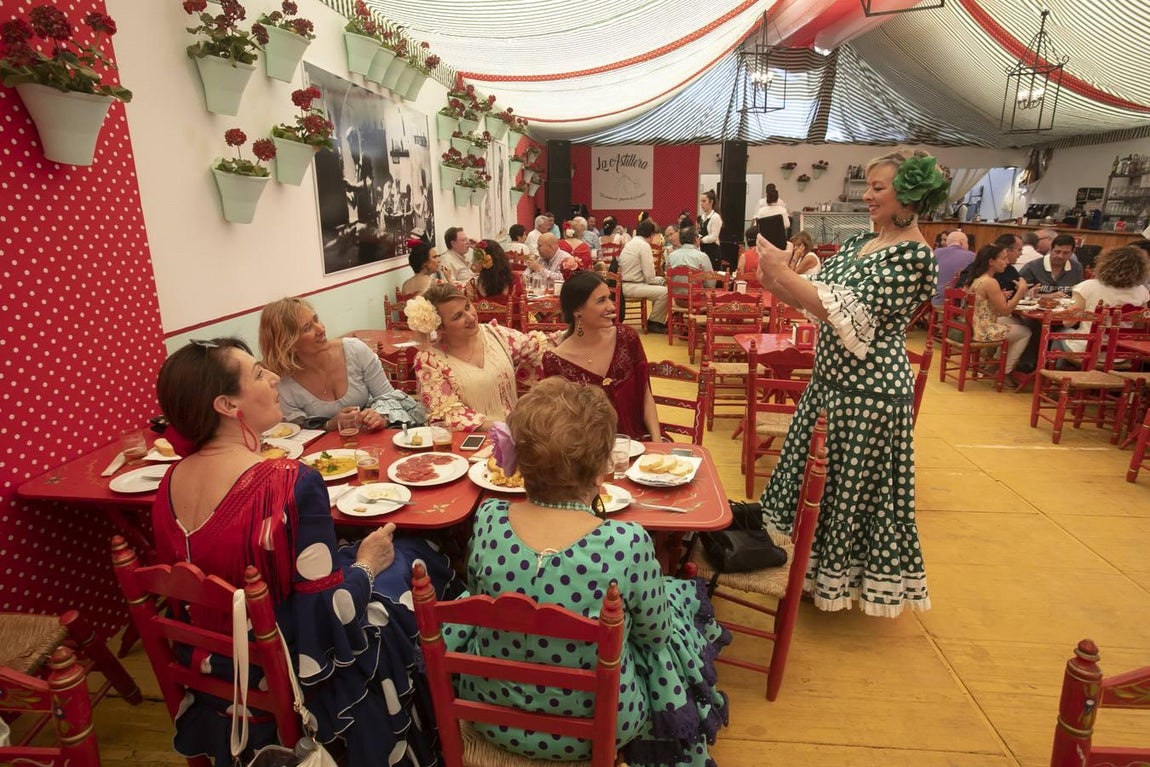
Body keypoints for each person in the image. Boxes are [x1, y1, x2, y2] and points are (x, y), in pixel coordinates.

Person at [151, 338, 457, 766]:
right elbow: (332, 613)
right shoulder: (288, 480)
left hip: (212, 660)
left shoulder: (169, 481)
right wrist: (368, 564)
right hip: (294, 665)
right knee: (415, 557)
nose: (275, 378)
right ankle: (435, 718)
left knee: (360, 555)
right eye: (259, 374)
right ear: (226, 404)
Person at [444, 377, 729, 766]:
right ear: (600, 473)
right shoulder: (626, 542)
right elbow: (655, 634)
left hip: (491, 715)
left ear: (517, 464)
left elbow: (480, 599)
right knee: (674, 618)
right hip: (599, 726)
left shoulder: (489, 519)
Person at [753, 149, 947, 616]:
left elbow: (838, 309)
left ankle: (831, 583)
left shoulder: (915, 256)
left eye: (879, 187)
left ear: (911, 195)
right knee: (817, 485)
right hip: (832, 387)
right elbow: (814, 296)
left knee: (848, 493)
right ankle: (808, 573)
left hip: (869, 397)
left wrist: (783, 274)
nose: (868, 195)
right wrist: (773, 273)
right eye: (871, 185)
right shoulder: (864, 241)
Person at [410, 283, 551, 430]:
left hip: (516, 433)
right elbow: (447, 414)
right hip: (472, 443)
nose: (470, 317)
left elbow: (536, 348)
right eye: (458, 316)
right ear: (440, 328)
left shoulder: (495, 334)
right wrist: (506, 428)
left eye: (467, 306)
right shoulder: (430, 361)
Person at [260, 297, 409, 431]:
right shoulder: (284, 383)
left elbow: (390, 397)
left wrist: (381, 415)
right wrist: (330, 425)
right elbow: (295, 431)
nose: (320, 329)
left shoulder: (355, 351)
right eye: (307, 328)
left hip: (373, 439)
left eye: (316, 319)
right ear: (288, 343)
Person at [543, 271, 661, 439]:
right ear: (577, 310)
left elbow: (645, 394)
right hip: (588, 455)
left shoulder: (626, 338)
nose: (612, 307)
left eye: (609, 298)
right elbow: (561, 422)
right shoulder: (556, 361)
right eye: (601, 301)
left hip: (640, 444)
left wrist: (656, 443)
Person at [1060, 245, 1150, 353]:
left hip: (1089, 349)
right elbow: (1139, 327)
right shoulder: (1142, 291)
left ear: (1105, 264)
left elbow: (1068, 322)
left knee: (1061, 332)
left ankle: (1059, 368)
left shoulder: (1087, 286)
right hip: (1122, 352)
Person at [961, 243, 1031, 377]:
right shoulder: (990, 282)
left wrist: (1000, 296)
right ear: (991, 261)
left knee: (1017, 321)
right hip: (982, 330)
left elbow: (983, 303)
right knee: (1025, 331)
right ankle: (1004, 372)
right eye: (1004, 259)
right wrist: (1020, 291)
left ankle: (994, 364)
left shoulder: (977, 278)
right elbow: (1005, 311)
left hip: (973, 324)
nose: (1007, 262)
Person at [618, 218, 668, 333]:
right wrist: (663, 280)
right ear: (651, 234)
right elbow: (650, 278)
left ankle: (655, 321)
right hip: (632, 286)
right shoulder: (644, 246)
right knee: (665, 292)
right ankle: (654, 322)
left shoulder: (630, 243)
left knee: (660, 290)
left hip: (624, 285)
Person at [1019, 233, 1083, 295]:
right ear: (1051, 249)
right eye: (1057, 252)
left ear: (1073, 252)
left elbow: (1078, 293)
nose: (1060, 256)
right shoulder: (1032, 267)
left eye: (1066, 253)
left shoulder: (1076, 268)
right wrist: (1047, 296)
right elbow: (1020, 294)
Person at [464, 239, 524, 305]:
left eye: (475, 258)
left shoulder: (473, 286)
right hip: (509, 315)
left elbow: (468, 310)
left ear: (483, 262)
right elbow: (521, 308)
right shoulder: (515, 281)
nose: (473, 261)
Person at [665, 226, 713, 306]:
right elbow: (710, 284)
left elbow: (667, 277)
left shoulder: (671, 256)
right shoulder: (702, 257)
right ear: (695, 238)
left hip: (678, 300)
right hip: (697, 301)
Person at [932, 230, 976, 306]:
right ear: (962, 242)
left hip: (933, 298)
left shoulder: (936, 252)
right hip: (957, 303)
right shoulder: (973, 256)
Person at [698, 189, 723, 270]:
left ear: (711, 202)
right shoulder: (702, 217)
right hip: (702, 250)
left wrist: (701, 240)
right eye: (701, 201)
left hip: (712, 251)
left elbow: (714, 236)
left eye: (704, 201)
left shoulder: (715, 217)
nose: (701, 204)